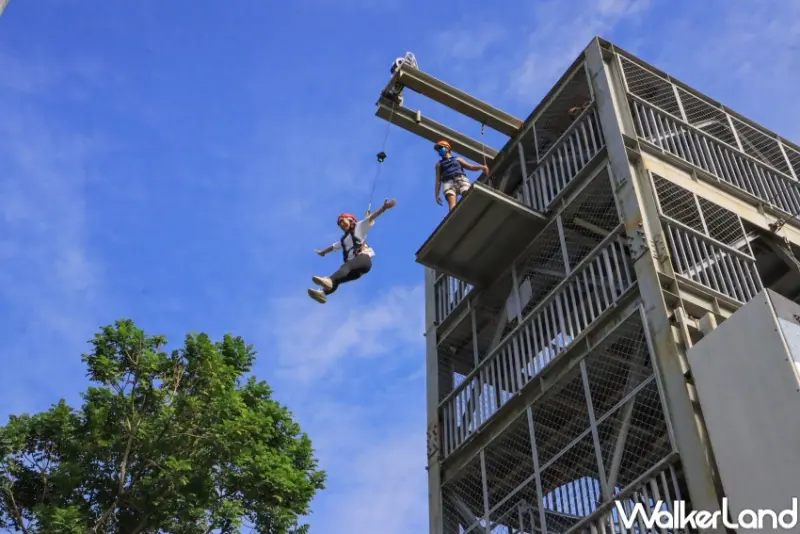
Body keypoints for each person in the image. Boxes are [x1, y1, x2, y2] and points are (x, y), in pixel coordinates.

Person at [308, 199, 397, 304]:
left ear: (351, 220)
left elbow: (372, 217)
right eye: (339, 224)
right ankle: (323, 294)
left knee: (345, 267)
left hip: (363, 260)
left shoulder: (359, 227)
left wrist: (383, 208)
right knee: (338, 279)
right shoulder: (343, 240)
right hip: (356, 272)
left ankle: (329, 280)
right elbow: (333, 247)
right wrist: (323, 252)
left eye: (343, 220)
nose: (341, 224)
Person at [434, 140, 489, 211]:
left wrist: (481, 167)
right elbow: (438, 181)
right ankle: (454, 217)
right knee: (452, 203)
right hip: (448, 182)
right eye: (438, 149)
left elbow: (471, 167)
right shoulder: (439, 164)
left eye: (440, 148)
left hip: (461, 179)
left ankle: (472, 211)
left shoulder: (457, 159)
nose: (439, 151)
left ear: (447, 148)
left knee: (468, 195)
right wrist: (437, 195)